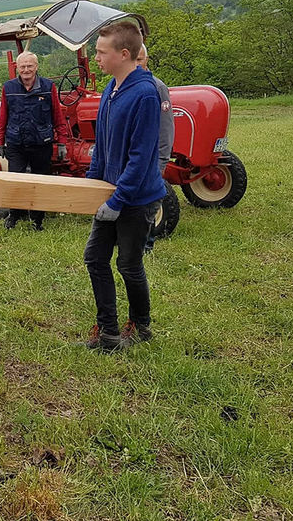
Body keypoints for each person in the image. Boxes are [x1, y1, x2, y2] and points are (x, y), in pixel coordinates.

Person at [82, 21, 166, 352]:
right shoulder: (111, 90)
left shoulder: (145, 95)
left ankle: (141, 327)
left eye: (102, 52)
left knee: (129, 264)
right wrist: (92, 182)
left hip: (136, 199)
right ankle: (108, 333)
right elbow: (102, 146)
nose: (96, 58)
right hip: (110, 192)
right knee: (95, 258)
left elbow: (141, 156)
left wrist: (119, 199)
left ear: (124, 54)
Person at [0, 51, 69, 230]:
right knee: (15, 180)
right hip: (16, 143)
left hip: (41, 143)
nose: (26, 69)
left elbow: (57, 116)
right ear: (17, 68)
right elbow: (3, 115)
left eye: (30, 66)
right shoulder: (9, 88)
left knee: (40, 181)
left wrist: (62, 142)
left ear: (36, 67)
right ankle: (14, 215)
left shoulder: (48, 87)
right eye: (23, 66)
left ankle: (37, 220)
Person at [137, 43, 174, 252]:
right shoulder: (120, 86)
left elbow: (166, 128)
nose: (137, 64)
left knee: (147, 202)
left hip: (150, 159)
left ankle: (147, 245)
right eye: (134, 60)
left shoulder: (157, 87)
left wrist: (161, 161)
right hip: (131, 158)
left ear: (147, 61)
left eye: (140, 60)